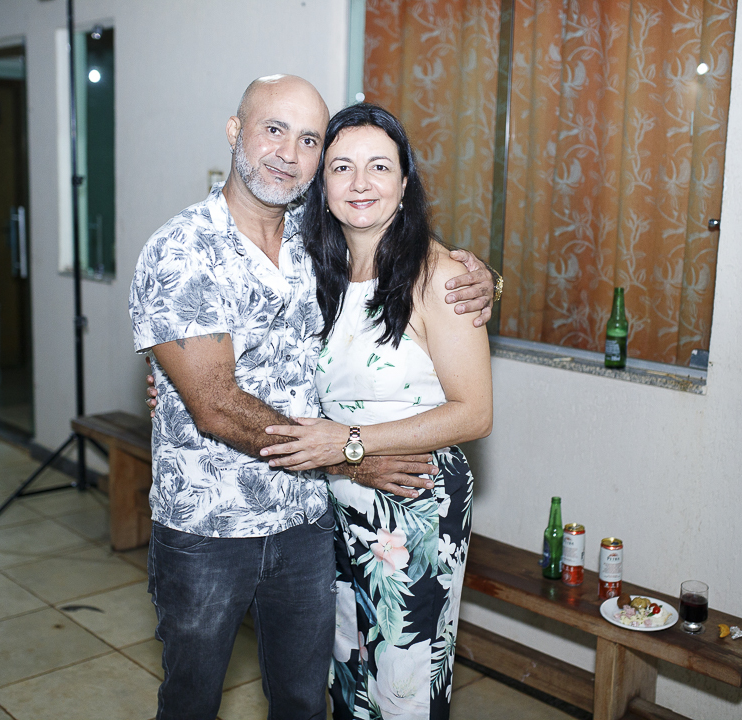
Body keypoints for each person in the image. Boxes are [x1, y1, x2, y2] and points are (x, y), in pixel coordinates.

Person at [129, 75, 496, 720]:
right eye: (273, 130)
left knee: (318, 698)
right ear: (234, 131)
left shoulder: (315, 245)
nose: (289, 154)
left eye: (308, 141)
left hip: (314, 519)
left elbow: (415, 293)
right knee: (194, 700)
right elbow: (216, 405)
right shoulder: (187, 249)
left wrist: (483, 278)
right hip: (213, 524)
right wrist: (348, 457)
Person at [259, 103, 493, 720]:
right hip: (335, 503)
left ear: (405, 182)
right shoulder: (316, 271)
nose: (360, 183)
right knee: (348, 680)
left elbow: (474, 414)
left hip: (414, 503)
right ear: (322, 183)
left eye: (379, 167)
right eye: (342, 167)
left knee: (402, 688)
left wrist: (352, 442)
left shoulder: (441, 275)